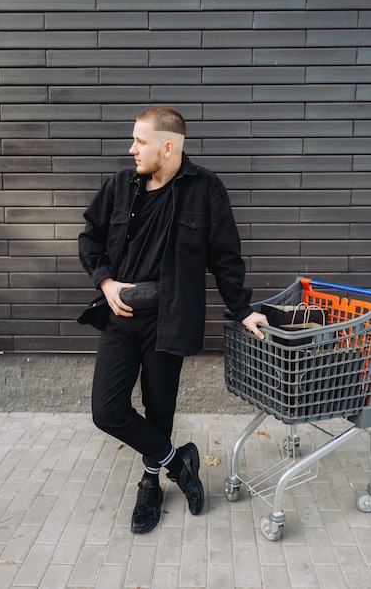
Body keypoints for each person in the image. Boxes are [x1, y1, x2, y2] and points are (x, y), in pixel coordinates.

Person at [77, 106, 268, 534]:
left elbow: (225, 258)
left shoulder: (206, 189)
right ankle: (177, 463)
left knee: (159, 408)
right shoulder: (120, 186)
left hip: (171, 317)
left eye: (139, 141)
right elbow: (89, 236)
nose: (131, 150)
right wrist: (105, 283)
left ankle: (151, 483)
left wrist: (243, 310)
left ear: (168, 146)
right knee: (106, 411)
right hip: (122, 316)